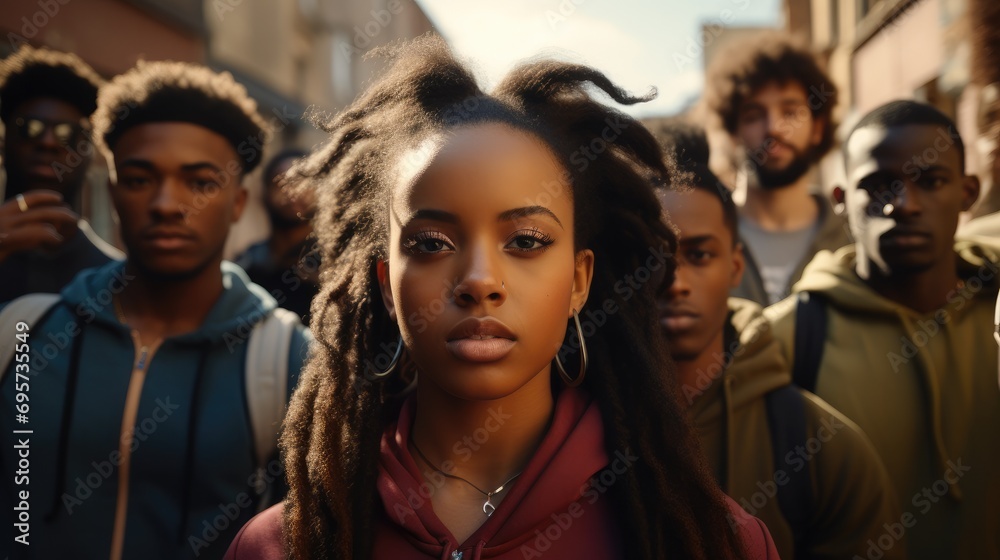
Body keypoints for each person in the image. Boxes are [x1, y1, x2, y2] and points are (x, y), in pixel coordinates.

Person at [224, 37, 778, 560]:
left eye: (526, 241)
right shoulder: (281, 545)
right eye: (431, 243)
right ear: (387, 284)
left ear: (580, 281)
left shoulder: (708, 540)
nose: (480, 280)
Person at [0, 61, 310, 560]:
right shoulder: (24, 330)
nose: (167, 203)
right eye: (141, 178)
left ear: (237, 203)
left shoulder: (286, 358)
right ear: (113, 192)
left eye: (200, 182)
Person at [653, 122, 902, 559]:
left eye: (699, 255)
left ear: (734, 267)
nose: (676, 282)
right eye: (653, 257)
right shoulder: (563, 425)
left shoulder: (822, 447)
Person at [766, 100, 1000, 559]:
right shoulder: (787, 338)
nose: (903, 204)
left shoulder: (998, 310)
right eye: (876, 186)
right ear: (840, 200)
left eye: (931, 182)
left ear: (968, 192)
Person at [705, 32, 851, 306]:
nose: (773, 127)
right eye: (753, 115)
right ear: (733, 131)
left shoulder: (853, 240)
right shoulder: (703, 238)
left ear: (817, 128)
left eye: (791, 112)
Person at [0, 45, 123, 302]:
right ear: (4, 142)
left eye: (67, 134)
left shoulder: (115, 279)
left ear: (88, 152)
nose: (48, 142)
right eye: (30, 129)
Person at [235, 149, 319, 321]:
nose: (293, 191)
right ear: (264, 192)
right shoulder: (247, 266)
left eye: (303, 181)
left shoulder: (336, 265)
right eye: (281, 182)